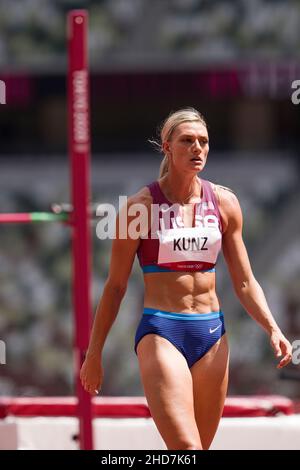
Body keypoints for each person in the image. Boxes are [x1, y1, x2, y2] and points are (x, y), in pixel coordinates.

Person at [80, 108, 292, 450]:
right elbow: (115, 287)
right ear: (167, 147)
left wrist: (273, 328)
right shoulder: (140, 208)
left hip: (211, 332)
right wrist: (94, 354)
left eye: (204, 142)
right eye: (187, 141)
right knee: (186, 449)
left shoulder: (224, 203)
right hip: (162, 331)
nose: (197, 148)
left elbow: (244, 281)